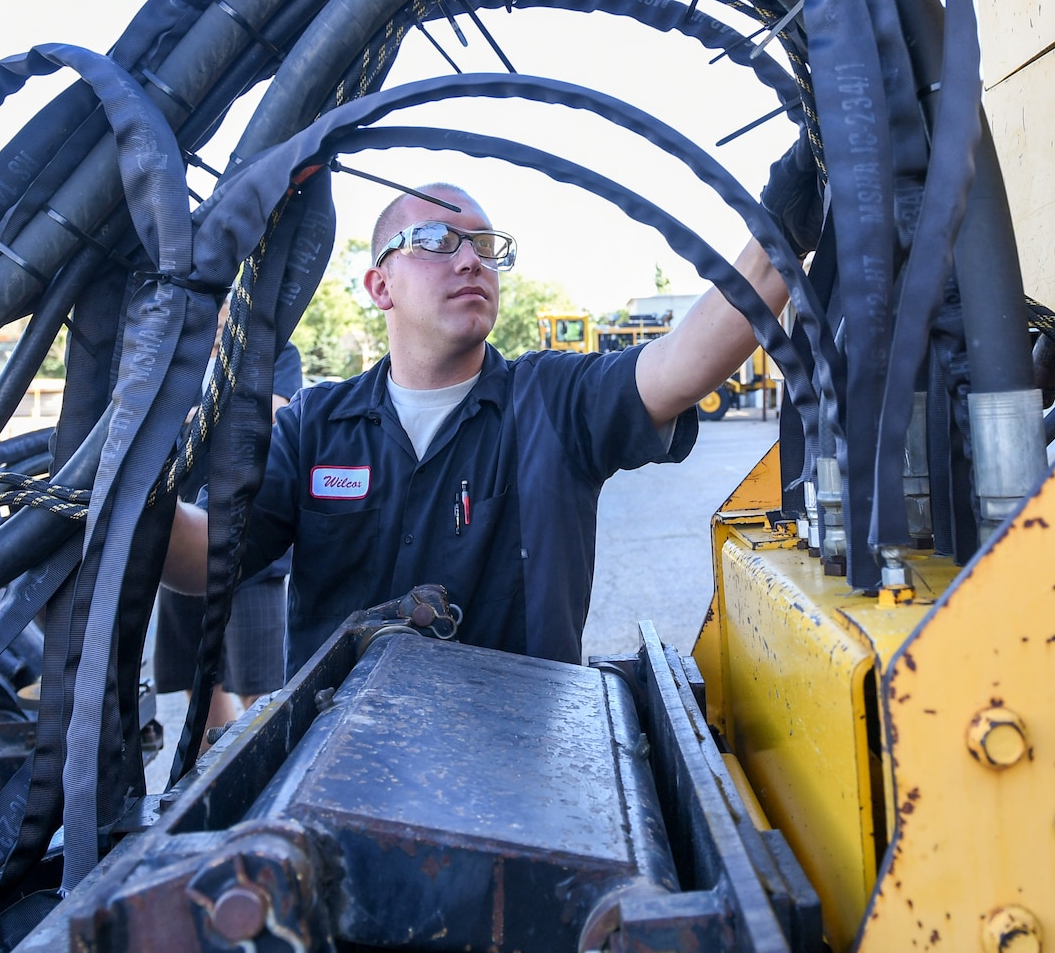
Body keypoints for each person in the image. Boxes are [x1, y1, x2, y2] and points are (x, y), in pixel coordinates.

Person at [161, 157, 811, 668]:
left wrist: (784, 225)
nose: (472, 257)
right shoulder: (315, 424)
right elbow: (207, 560)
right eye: (439, 239)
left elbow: (684, 360)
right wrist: (118, 492)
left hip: (522, 776)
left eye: (483, 244)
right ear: (379, 285)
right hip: (333, 777)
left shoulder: (552, 399)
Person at [151, 341, 306, 725]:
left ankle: (261, 778)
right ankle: (207, 776)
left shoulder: (274, 351)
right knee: (192, 674)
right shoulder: (180, 353)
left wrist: (202, 411)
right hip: (180, 532)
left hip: (250, 537)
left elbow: (275, 413)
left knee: (260, 685)